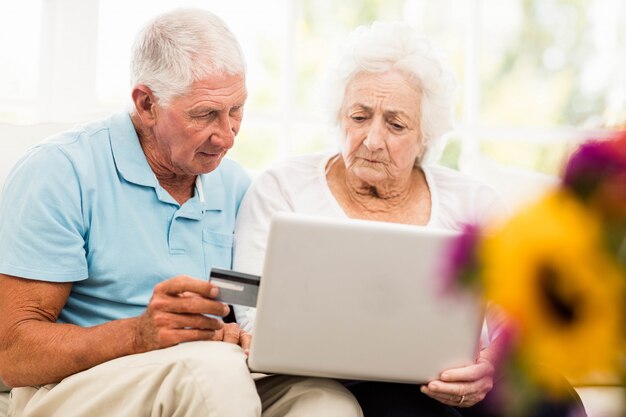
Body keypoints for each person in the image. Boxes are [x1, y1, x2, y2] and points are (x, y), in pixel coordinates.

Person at [0, 9, 363, 417]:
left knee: (325, 401)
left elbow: (247, 307)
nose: (226, 136)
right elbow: (11, 353)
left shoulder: (236, 186)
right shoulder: (59, 172)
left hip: (205, 374)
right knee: (211, 374)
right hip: (72, 387)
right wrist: (139, 335)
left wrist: (245, 335)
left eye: (237, 110)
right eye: (205, 114)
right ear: (146, 103)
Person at [232, 22, 586, 417]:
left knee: (554, 398)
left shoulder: (473, 202)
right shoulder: (281, 189)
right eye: (360, 117)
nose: (372, 140)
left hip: (462, 380)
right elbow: (252, 315)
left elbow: (516, 314)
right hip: (345, 387)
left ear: (425, 137)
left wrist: (489, 365)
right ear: (338, 117)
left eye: (396, 124)